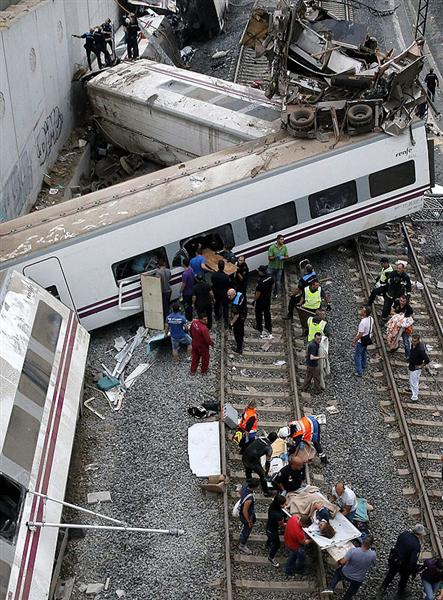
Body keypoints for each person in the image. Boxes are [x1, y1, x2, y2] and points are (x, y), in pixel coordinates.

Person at [379, 523, 427, 597]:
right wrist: (413, 571)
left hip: (395, 558)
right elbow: (412, 561)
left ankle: (383, 587)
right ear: (420, 534)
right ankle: (400, 593)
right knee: (404, 579)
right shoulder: (416, 545)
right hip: (404, 565)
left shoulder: (404, 534)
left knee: (390, 574)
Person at [238, 478, 260, 555]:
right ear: (254, 487)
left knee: (246, 528)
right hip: (246, 516)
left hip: (244, 513)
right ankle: (242, 545)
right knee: (247, 530)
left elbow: (240, 492)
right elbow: (245, 511)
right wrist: (249, 521)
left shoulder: (245, 485)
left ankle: (242, 536)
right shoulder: (249, 499)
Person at [266, 494, 287, 567]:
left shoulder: (272, 506)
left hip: (268, 527)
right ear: (279, 504)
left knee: (270, 537)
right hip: (273, 531)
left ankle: (268, 544)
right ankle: (271, 557)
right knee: (277, 545)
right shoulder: (278, 515)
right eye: (283, 504)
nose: (285, 505)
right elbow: (282, 524)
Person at [352, 306, 373, 377]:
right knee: (364, 352)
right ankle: (364, 365)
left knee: (357, 356)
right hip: (368, 339)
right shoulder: (371, 318)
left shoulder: (363, 323)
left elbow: (360, 334)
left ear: (365, 313)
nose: (361, 310)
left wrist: (354, 340)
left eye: (362, 310)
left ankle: (359, 371)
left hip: (362, 341)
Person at [408, 334, 430, 402]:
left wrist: (421, 366)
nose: (412, 342)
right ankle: (412, 390)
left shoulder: (420, 349)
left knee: (414, 382)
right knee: (412, 380)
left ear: (418, 341)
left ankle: (415, 397)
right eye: (412, 341)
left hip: (416, 367)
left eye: (414, 341)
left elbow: (427, 360)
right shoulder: (413, 345)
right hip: (411, 365)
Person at [254, 265, 273, 337]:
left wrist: (254, 300)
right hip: (267, 299)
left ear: (262, 272)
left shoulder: (261, 283)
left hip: (261, 300)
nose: (258, 272)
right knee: (267, 313)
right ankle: (269, 327)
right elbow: (272, 285)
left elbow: (258, 293)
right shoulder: (270, 276)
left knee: (258, 313)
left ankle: (259, 327)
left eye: (259, 271)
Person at [228, 288, 247, 355]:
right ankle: (241, 340)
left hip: (239, 318)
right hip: (244, 314)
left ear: (234, 294)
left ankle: (239, 348)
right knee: (241, 330)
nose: (228, 297)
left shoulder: (235, 303)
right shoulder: (240, 294)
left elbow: (236, 315)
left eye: (230, 296)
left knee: (237, 333)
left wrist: (231, 323)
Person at [211, 260, 230, 328]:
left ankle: (217, 316)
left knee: (217, 304)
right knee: (225, 307)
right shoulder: (226, 276)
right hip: (224, 292)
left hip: (216, 292)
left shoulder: (214, 275)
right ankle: (226, 320)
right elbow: (228, 285)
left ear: (218, 266)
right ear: (224, 267)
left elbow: (212, 282)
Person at [179, 258, 195, 322]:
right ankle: (191, 315)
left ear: (183, 264)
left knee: (187, 306)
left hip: (186, 292)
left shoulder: (185, 274)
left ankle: (188, 319)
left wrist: (180, 291)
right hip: (192, 290)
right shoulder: (191, 270)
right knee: (190, 304)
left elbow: (183, 284)